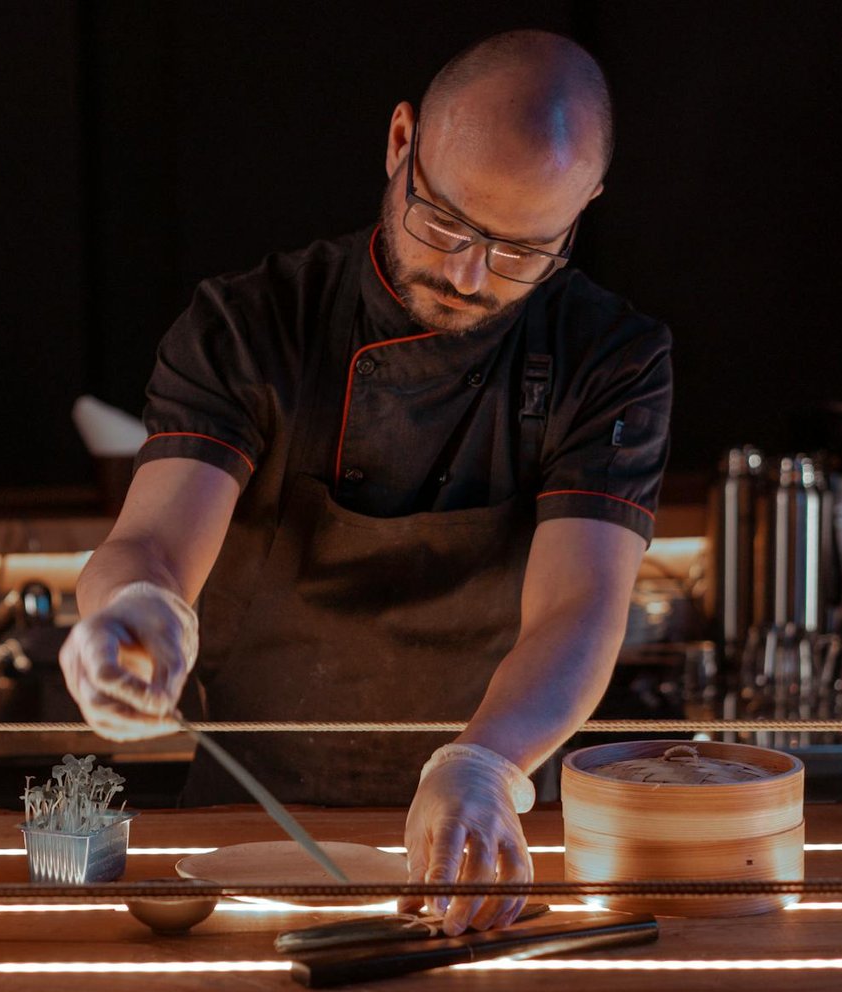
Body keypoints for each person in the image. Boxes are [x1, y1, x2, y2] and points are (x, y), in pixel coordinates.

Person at [59, 29, 671, 936]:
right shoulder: (253, 321)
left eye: (520, 253)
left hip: (477, 828)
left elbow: (579, 605)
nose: (469, 277)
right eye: (447, 224)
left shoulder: (612, 357)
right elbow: (150, 538)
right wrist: (132, 602)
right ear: (399, 143)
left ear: (584, 209)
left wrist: (484, 768)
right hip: (243, 823)